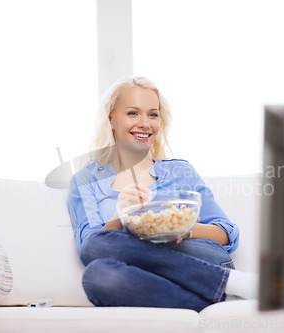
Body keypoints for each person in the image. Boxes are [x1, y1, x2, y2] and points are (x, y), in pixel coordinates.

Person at [67, 76, 257, 311]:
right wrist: (121, 216)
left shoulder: (180, 171)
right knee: (96, 275)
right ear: (111, 119)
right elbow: (90, 245)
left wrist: (183, 229)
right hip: (148, 277)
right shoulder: (85, 181)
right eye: (133, 113)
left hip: (197, 256)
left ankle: (229, 282)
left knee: (100, 251)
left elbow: (228, 234)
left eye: (153, 114)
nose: (145, 123)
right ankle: (223, 294)